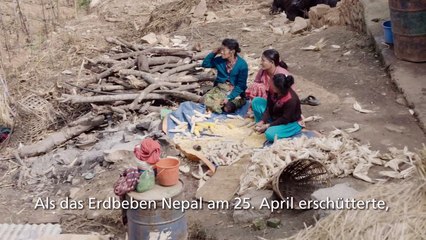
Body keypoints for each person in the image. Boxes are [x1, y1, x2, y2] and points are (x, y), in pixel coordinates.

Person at [201, 39, 248, 114]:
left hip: (235, 92)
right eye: (221, 49)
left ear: (232, 51)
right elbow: (205, 64)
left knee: (227, 108)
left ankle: (228, 104)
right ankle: (217, 104)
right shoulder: (219, 61)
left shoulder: (242, 65)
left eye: (224, 50)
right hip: (220, 90)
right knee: (204, 100)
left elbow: (241, 85)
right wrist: (214, 52)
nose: (221, 52)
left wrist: (229, 97)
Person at [253, 73, 302, 142]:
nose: (270, 85)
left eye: (273, 85)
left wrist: (268, 125)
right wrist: (262, 120)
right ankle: (261, 126)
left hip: (289, 122)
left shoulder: (291, 100)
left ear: (278, 88)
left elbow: (285, 119)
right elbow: (269, 106)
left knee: (270, 134)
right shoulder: (273, 90)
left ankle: (271, 128)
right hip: (276, 115)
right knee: (257, 101)